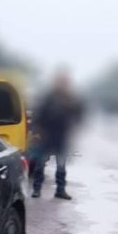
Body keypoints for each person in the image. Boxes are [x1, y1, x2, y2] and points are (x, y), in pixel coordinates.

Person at [30, 69, 83, 200]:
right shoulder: (48, 97)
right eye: (60, 81)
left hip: (61, 136)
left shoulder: (70, 98)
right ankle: (36, 189)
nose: (62, 84)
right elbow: (38, 114)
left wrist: (74, 123)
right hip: (46, 135)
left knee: (61, 166)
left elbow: (78, 113)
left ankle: (60, 190)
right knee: (40, 164)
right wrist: (37, 132)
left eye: (65, 82)